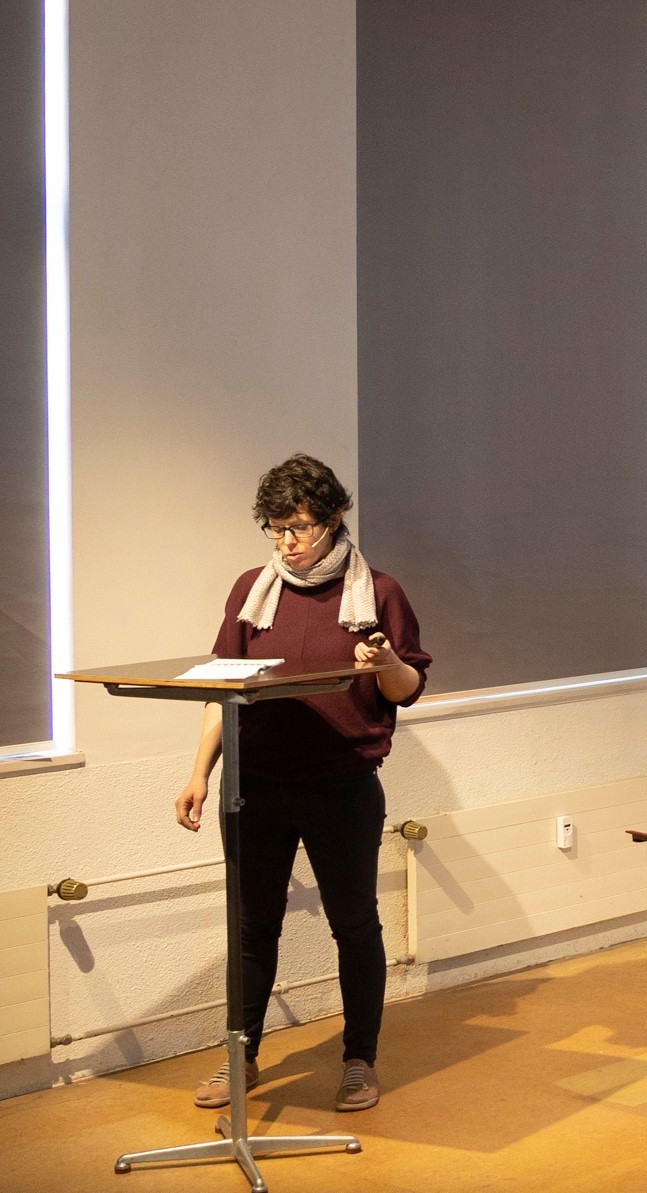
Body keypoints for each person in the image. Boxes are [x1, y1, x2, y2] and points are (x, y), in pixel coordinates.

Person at [175, 453, 431, 1114]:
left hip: (341, 784)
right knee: (252, 926)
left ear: (335, 516)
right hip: (253, 784)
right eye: (276, 527)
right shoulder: (251, 590)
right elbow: (222, 684)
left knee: (355, 924)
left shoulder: (379, 592)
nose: (287, 541)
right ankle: (241, 1054)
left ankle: (359, 1061)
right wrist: (200, 772)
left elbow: (407, 688)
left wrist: (386, 659)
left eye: (300, 526)